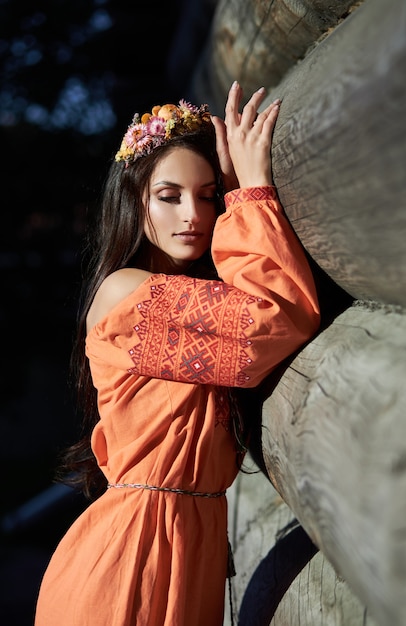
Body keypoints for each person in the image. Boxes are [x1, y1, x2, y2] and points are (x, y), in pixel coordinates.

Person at [35, 81, 320, 626]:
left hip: (183, 550)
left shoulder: (182, 296)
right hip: (130, 565)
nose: (194, 213)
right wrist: (250, 193)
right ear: (135, 201)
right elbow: (278, 318)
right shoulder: (127, 294)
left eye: (210, 194)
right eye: (170, 196)